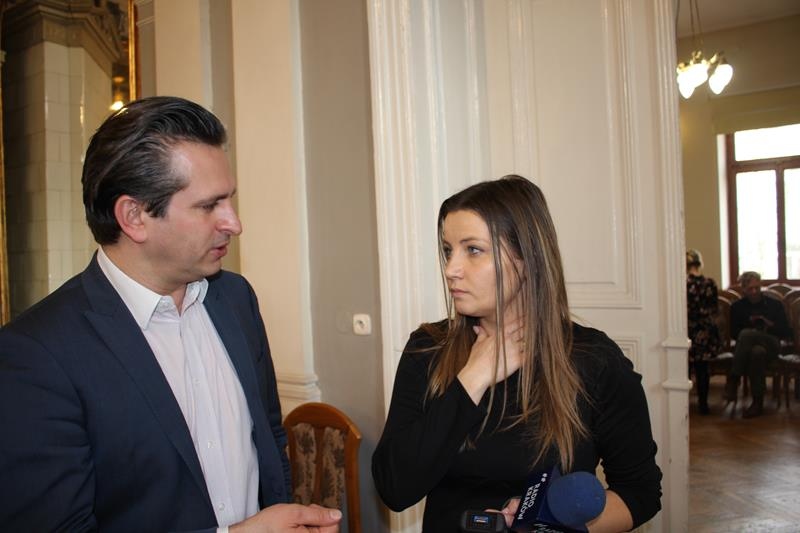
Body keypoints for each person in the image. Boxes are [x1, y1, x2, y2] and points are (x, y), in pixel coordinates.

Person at [0, 97, 341, 532]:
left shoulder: (236, 299)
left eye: (230, 200)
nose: (234, 223)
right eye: (209, 205)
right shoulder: (35, 355)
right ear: (134, 216)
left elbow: (269, 437)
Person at [372, 176, 662, 533]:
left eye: (472, 250)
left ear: (527, 257)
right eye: (448, 250)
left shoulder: (594, 361)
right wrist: (473, 377)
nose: (450, 269)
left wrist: (550, 523)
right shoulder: (428, 348)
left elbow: (640, 492)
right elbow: (394, 488)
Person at [725, 271, 791, 418]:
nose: (754, 292)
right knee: (757, 352)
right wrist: (750, 326)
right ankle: (757, 402)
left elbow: (786, 331)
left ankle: (734, 377)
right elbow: (733, 333)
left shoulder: (774, 304)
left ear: (761, 286)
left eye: (757, 288)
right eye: (750, 289)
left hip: (772, 343)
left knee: (746, 334)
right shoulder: (737, 307)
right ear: (743, 289)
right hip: (749, 350)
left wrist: (769, 324)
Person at [686, 249, 722, 415]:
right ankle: (703, 404)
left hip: (687, 329)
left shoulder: (683, 283)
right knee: (702, 369)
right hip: (705, 330)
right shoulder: (710, 283)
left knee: (684, 369)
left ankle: (684, 404)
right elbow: (714, 309)